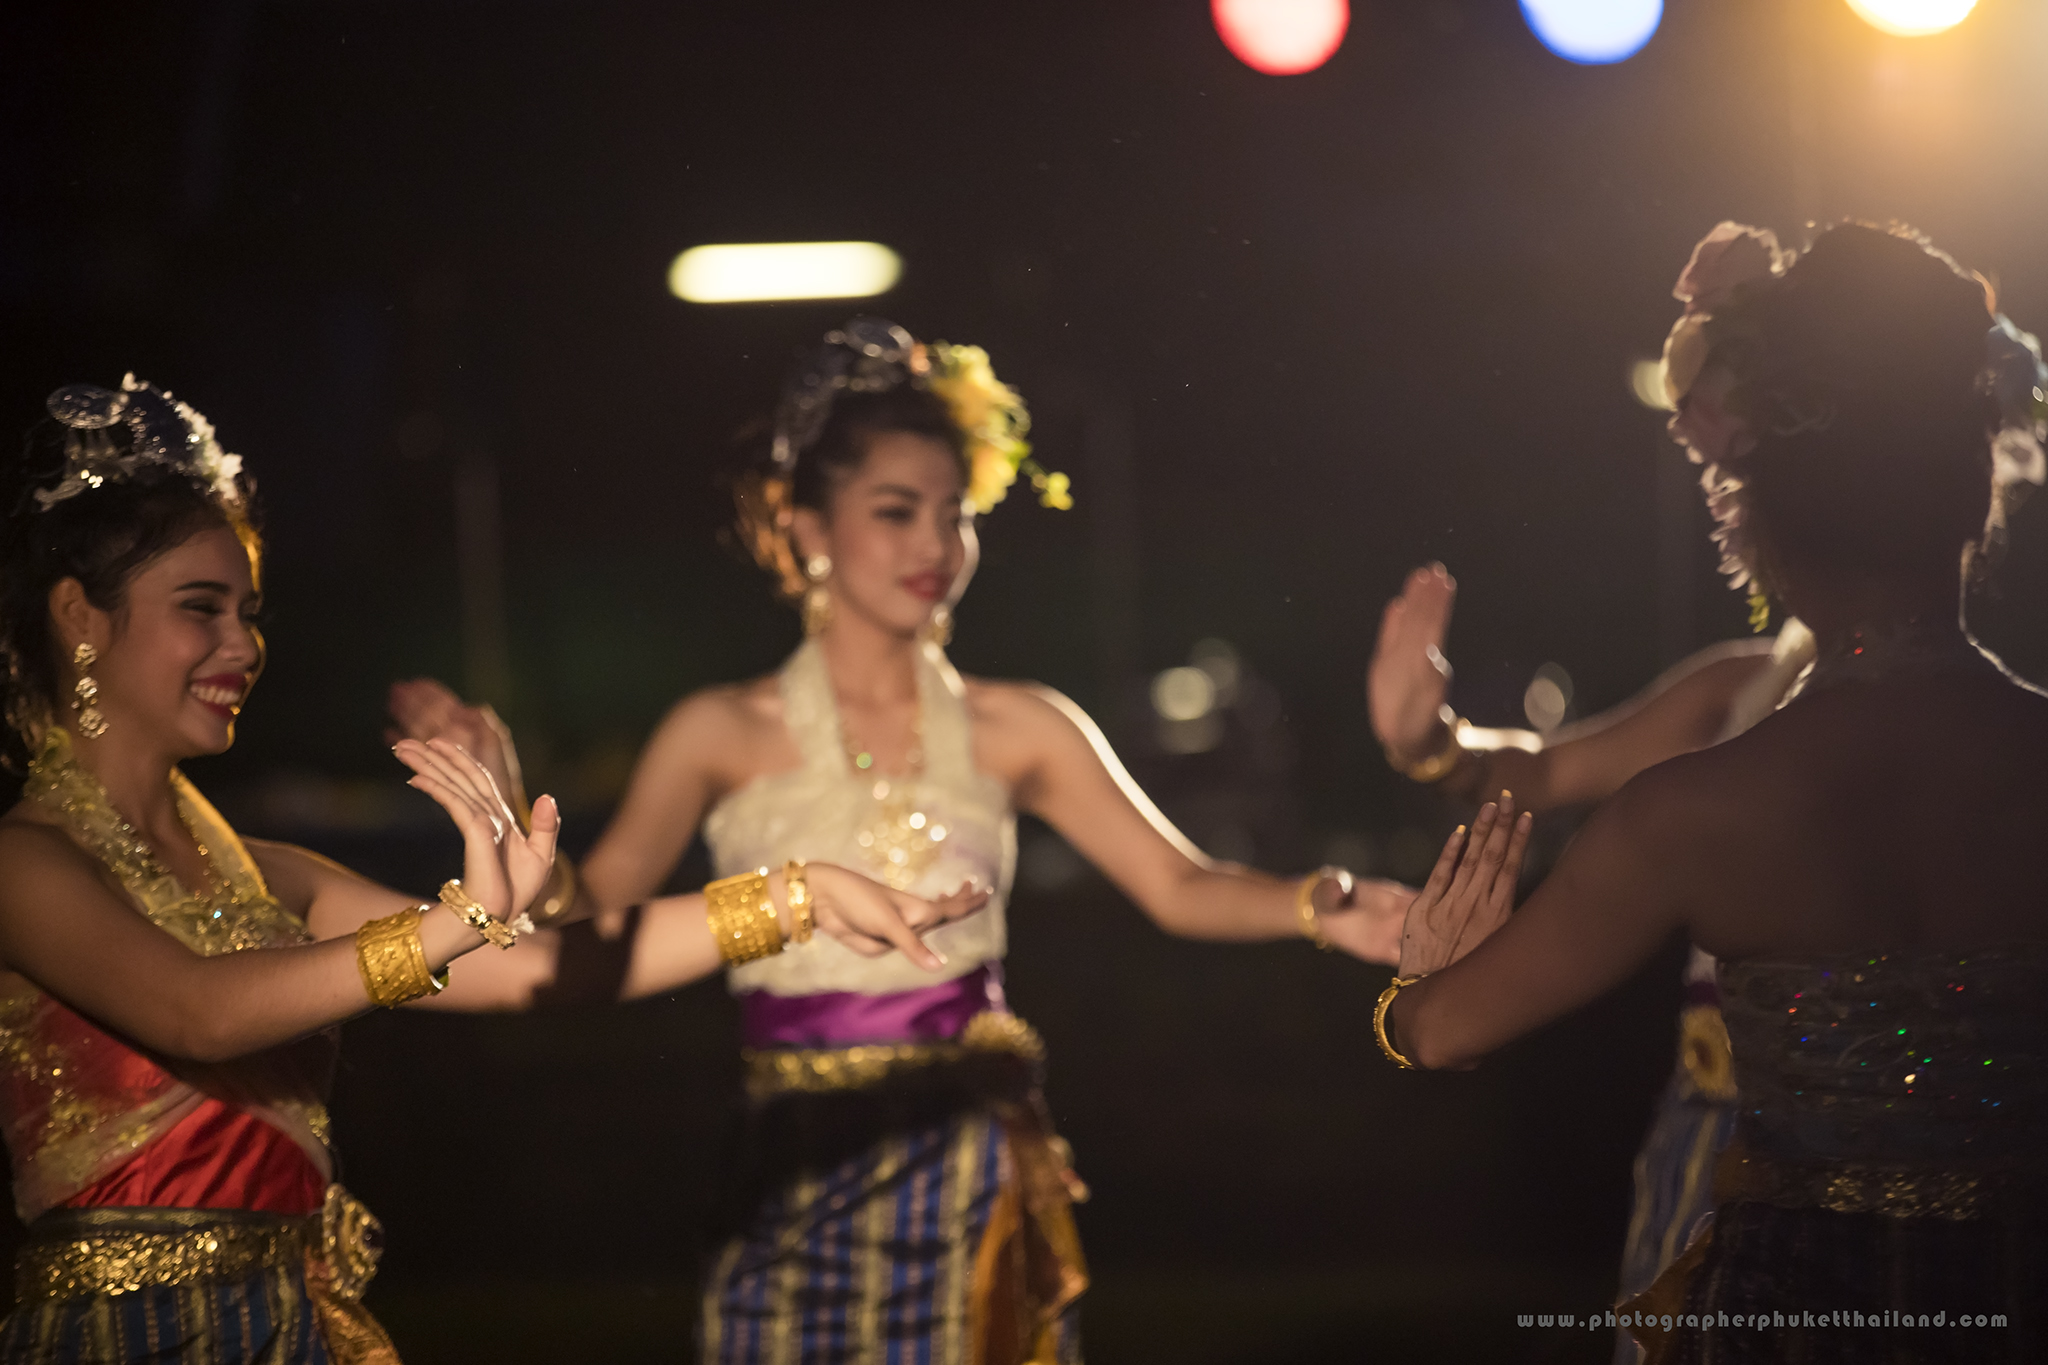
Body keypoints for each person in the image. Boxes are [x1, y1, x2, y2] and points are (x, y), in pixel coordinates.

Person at [389, 318, 1414, 1364]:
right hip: (790, 1167)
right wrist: (509, 825)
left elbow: (1178, 884)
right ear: (804, 526)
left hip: (971, 1162)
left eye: (955, 515)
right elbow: (594, 911)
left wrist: (1314, 905)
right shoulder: (719, 729)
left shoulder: (1023, 724)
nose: (935, 546)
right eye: (896, 511)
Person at [0, 377, 976, 1365]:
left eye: (248, 613)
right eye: (200, 610)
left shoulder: (268, 875)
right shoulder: (23, 864)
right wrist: (460, 918)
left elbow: (534, 972)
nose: (242, 646)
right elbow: (196, 1014)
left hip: (288, 1332)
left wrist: (797, 894)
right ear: (81, 615)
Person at [1378, 222, 2048, 1364]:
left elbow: (1441, 1032)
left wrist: (1419, 985)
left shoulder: (1688, 814)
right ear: (1967, 497)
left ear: (1758, 514)